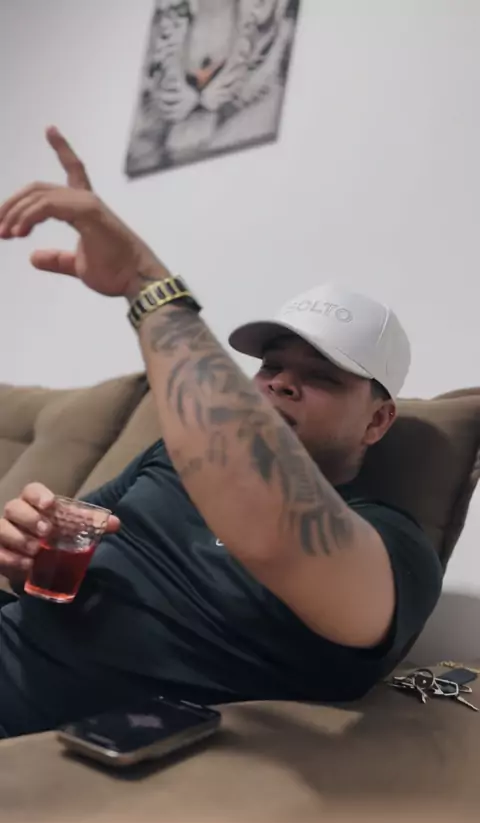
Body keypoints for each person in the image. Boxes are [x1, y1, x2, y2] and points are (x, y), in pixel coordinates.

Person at [0, 128, 442, 738]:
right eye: (270, 366)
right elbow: (57, 553)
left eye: (321, 377)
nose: (281, 384)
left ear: (377, 420)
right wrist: (25, 543)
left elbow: (268, 523)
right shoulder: (168, 458)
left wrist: (144, 282)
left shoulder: (395, 547)